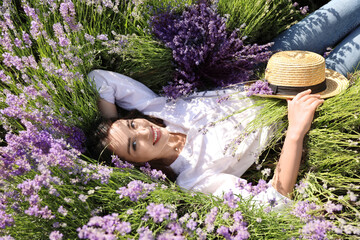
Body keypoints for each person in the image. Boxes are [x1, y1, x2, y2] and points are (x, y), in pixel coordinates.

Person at [88, 0, 359, 208]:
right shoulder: (195, 179)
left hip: (268, 62)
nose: (144, 131)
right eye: (134, 145)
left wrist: (111, 123)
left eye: (133, 124)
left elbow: (99, 79)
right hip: (296, 93)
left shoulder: (154, 109)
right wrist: (296, 130)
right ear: (138, 166)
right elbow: (276, 202)